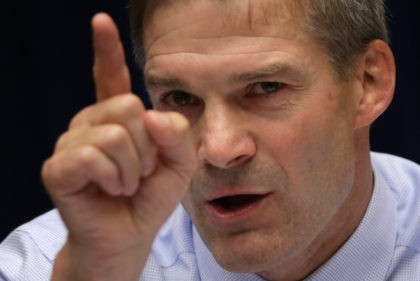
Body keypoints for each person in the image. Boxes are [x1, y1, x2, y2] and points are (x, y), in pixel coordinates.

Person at [1, 0, 419, 280]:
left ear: (368, 82)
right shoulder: (58, 261)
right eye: (180, 98)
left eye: (266, 88)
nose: (217, 150)